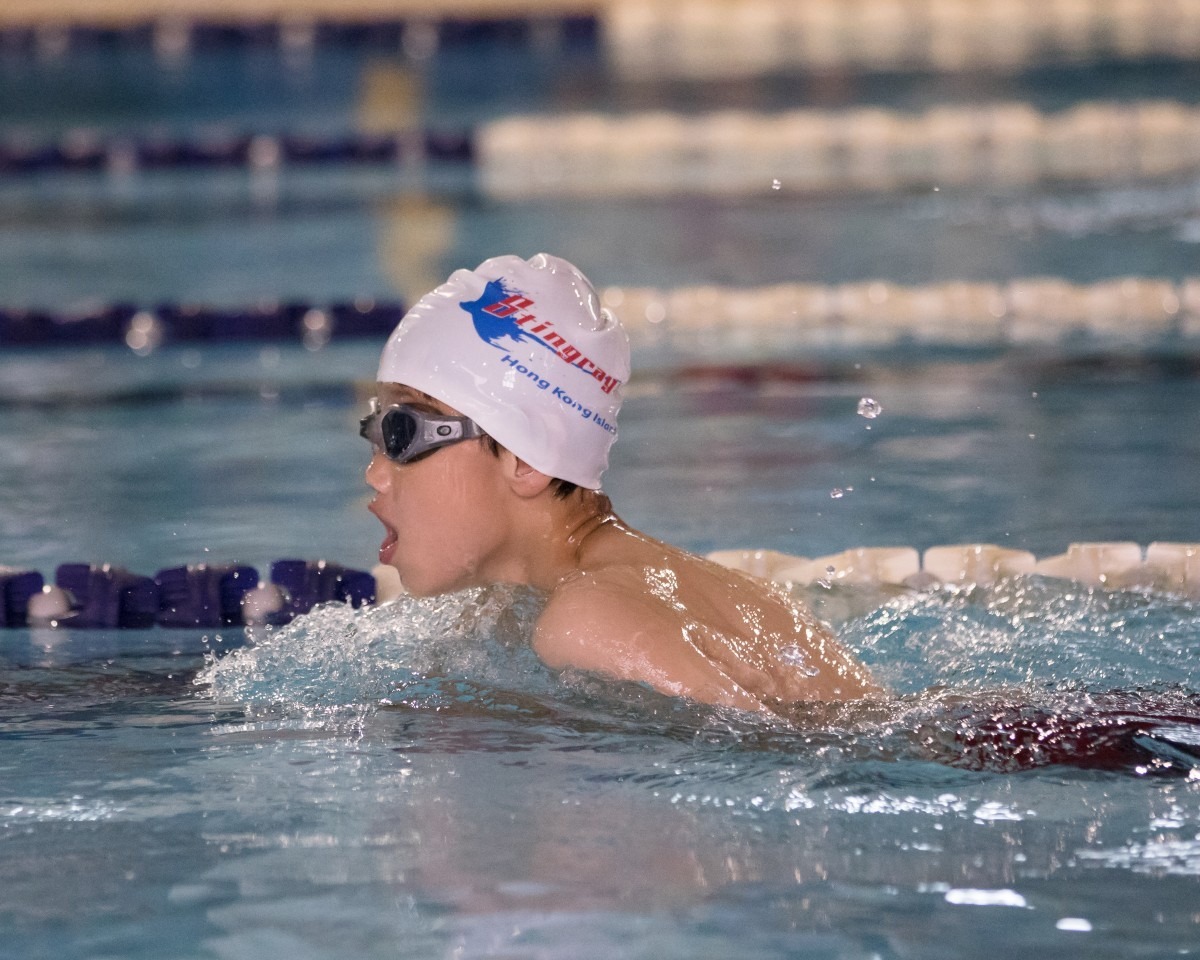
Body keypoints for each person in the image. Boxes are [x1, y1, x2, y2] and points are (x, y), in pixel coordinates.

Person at [362, 253, 881, 712]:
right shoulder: (528, 607)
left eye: (402, 433)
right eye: (373, 432)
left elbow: (783, 758)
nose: (376, 474)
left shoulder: (586, 622)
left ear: (525, 461)